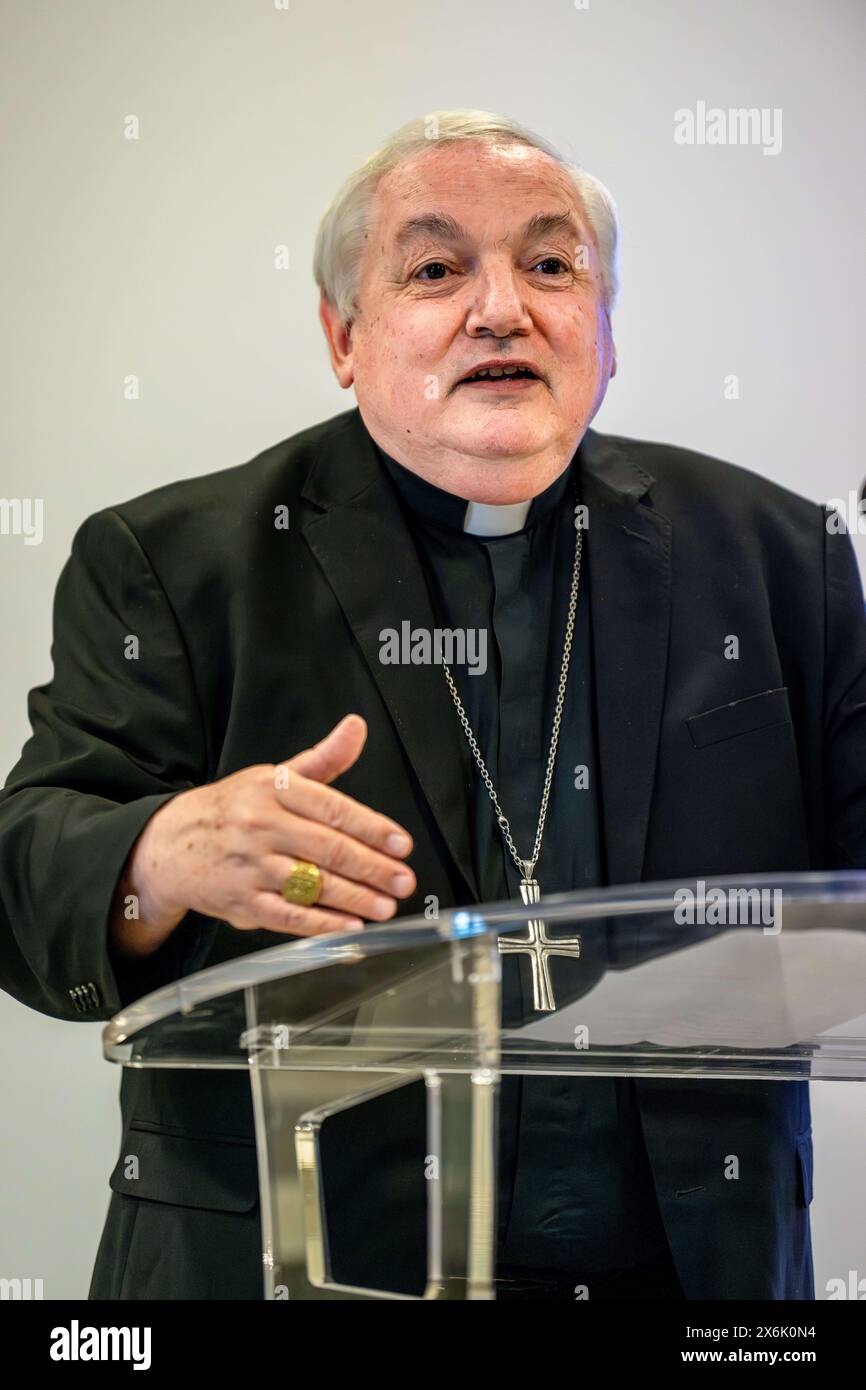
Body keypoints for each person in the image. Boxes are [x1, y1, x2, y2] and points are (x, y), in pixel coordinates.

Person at [2, 109, 863, 1300]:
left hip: (690, 1282)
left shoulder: (777, 557)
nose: (502, 307)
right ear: (342, 336)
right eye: (436, 268)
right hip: (292, 1267)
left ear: (604, 333)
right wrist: (160, 854)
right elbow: (23, 880)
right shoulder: (173, 564)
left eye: (551, 265)